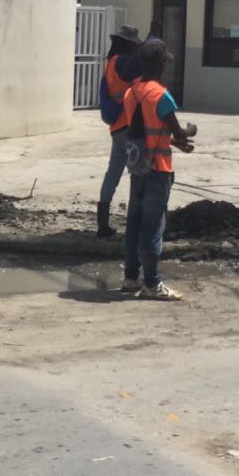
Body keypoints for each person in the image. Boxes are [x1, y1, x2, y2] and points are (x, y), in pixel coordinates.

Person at [120, 39, 196, 300]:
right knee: (153, 225)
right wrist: (189, 131)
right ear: (160, 64)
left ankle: (131, 278)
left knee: (134, 223)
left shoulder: (132, 93)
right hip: (159, 169)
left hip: (137, 166)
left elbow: (145, 132)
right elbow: (178, 129)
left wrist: (173, 142)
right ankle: (152, 283)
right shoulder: (161, 95)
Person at [95, 25, 143, 237]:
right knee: (139, 174)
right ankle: (135, 222)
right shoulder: (123, 63)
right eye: (135, 45)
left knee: (113, 173)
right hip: (129, 126)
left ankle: (102, 224)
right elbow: (142, 63)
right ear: (129, 46)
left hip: (117, 126)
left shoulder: (111, 63)